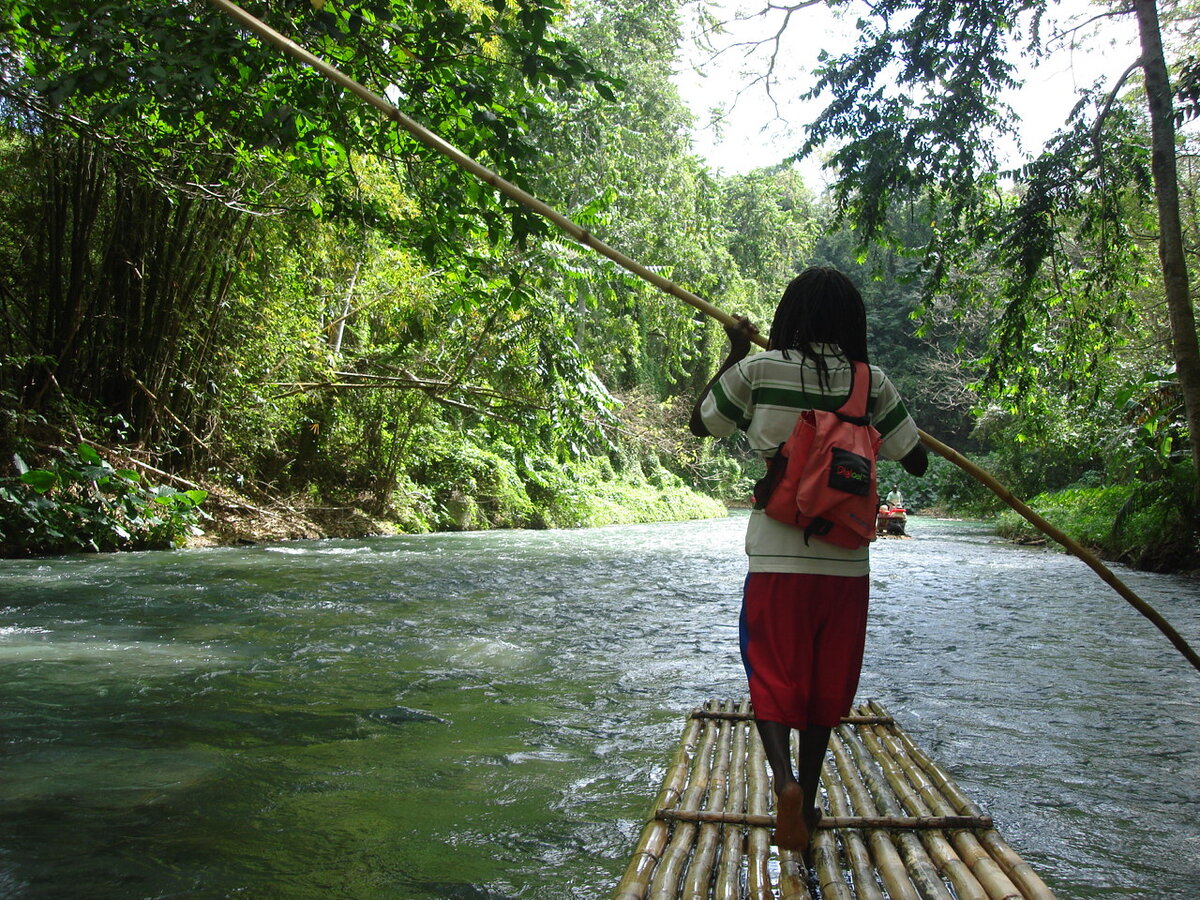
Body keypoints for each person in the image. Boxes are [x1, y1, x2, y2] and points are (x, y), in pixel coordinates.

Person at [689, 267, 928, 856]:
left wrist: (734, 352)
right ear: (852, 322)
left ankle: (784, 784)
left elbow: (702, 423)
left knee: (771, 672)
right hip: (846, 562)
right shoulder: (872, 383)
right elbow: (916, 461)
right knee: (826, 682)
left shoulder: (758, 370)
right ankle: (811, 793)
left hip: (774, 553)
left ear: (790, 315)